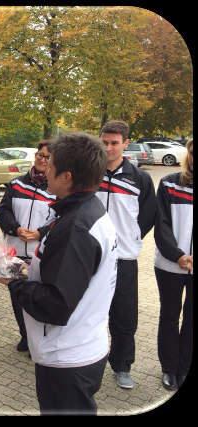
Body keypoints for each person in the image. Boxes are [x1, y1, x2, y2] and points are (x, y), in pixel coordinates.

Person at [0, 132, 118, 415]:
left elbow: (55, 305)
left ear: (68, 176)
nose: (45, 168)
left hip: (67, 357)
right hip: (81, 347)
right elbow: (65, 276)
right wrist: (20, 268)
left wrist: (13, 282)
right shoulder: (85, 211)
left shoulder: (75, 227)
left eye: (51, 163)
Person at [96, 120, 157, 390]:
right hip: (91, 258)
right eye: (105, 142)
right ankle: (90, 362)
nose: (108, 148)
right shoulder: (89, 173)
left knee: (124, 316)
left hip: (124, 259)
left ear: (125, 144)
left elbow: (148, 215)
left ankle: (122, 366)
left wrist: (131, 238)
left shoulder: (139, 178)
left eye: (114, 143)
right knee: (91, 313)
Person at [0, 140, 56, 354]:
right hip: (15, 253)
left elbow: (60, 220)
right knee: (16, 297)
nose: (42, 159)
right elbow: (3, 211)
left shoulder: (56, 188)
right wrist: (16, 228)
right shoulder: (17, 184)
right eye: (40, 155)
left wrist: (41, 232)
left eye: (48, 157)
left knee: (36, 299)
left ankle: (37, 341)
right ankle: (24, 335)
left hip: (39, 255)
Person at [154, 139, 193, 391]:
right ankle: (169, 368)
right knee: (169, 315)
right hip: (170, 264)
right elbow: (162, 224)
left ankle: (184, 367)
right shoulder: (170, 183)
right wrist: (178, 255)